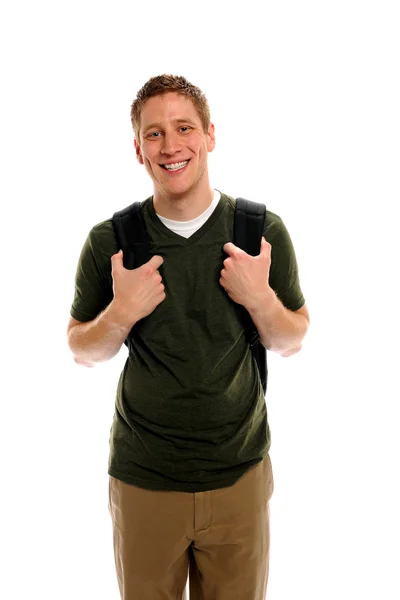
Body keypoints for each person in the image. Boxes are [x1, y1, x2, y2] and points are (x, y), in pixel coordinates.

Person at [67, 74, 310, 600]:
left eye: (184, 128)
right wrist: (121, 312)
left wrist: (260, 298)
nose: (170, 145)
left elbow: (292, 339)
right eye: (153, 134)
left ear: (209, 135)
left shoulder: (259, 232)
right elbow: (82, 349)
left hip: (239, 476)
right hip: (144, 481)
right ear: (137, 150)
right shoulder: (112, 241)